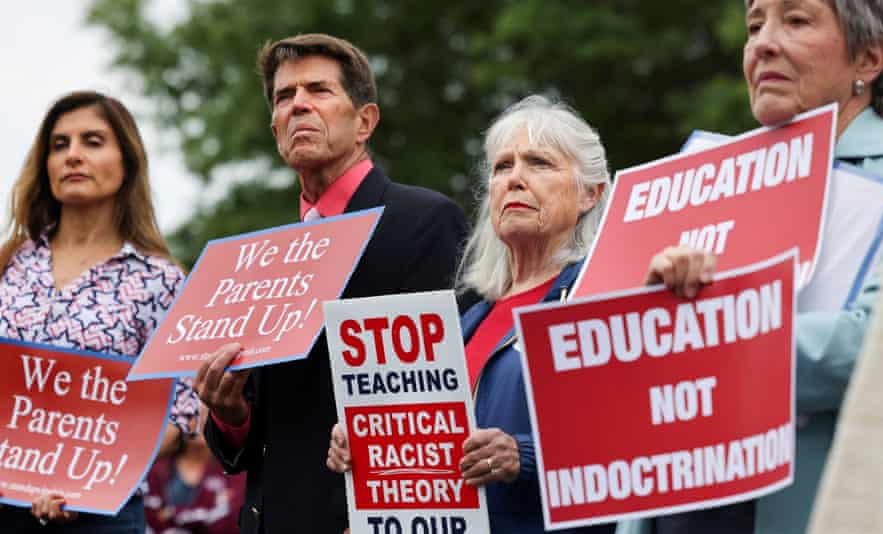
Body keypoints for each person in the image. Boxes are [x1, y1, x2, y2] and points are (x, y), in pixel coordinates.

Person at [620, 1, 883, 533]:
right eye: (753, 25)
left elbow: (872, 350)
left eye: (795, 20)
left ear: (868, 59)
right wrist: (653, 307)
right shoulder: (701, 183)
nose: (763, 43)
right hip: (682, 507)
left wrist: (704, 336)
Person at [196, 33, 468, 534]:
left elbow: (442, 400)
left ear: (365, 121)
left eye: (318, 90)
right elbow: (253, 438)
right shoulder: (261, 261)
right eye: (284, 97)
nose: (299, 104)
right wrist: (230, 413)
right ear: (274, 127)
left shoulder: (425, 222)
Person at [327, 95, 616, 533]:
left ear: (590, 194)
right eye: (502, 167)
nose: (515, 178)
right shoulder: (465, 323)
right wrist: (372, 449)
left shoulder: (603, 299)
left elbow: (640, 443)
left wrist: (525, 455)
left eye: (538, 163)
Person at [0, 90, 199, 533]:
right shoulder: (8, 264)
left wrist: (86, 479)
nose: (73, 155)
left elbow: (183, 411)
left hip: (101, 516)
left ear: (126, 161)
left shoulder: (160, 280)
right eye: (59, 144)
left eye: (92, 141)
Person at [144, 407, 245, 534]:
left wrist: (171, 513)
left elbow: (228, 523)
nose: (201, 422)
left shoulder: (233, 473)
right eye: (193, 415)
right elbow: (149, 517)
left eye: (209, 417)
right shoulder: (157, 470)